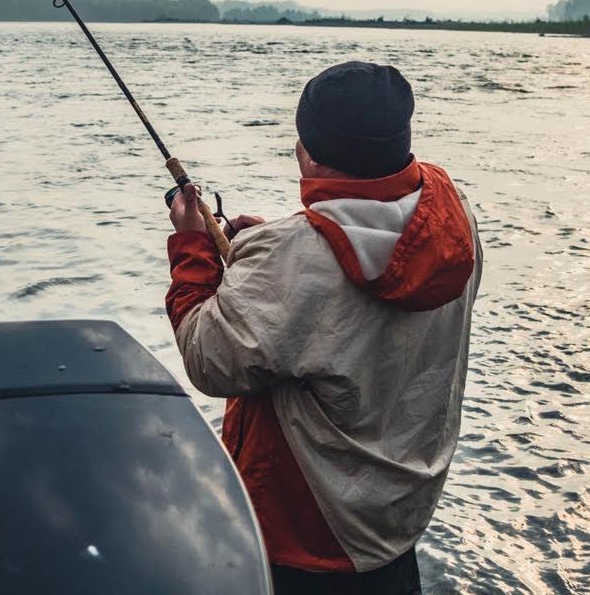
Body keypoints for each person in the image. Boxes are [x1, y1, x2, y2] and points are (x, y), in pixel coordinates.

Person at [165, 61, 482, 594]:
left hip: (305, 542)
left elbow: (208, 358)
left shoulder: (292, 259)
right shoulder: (456, 223)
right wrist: (269, 255)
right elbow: (345, 294)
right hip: (393, 533)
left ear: (308, 151)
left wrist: (195, 245)